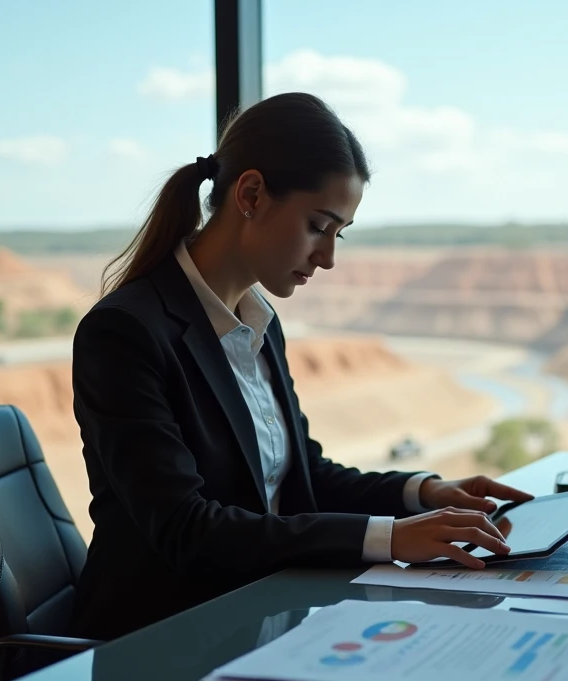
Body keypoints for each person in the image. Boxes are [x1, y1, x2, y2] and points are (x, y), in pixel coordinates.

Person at [70, 92, 531, 640]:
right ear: (252, 194)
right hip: (165, 641)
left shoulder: (259, 323)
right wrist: (389, 536)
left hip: (264, 622)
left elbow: (302, 475)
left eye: (339, 233)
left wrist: (423, 493)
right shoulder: (126, 333)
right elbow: (187, 531)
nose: (329, 257)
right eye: (319, 226)